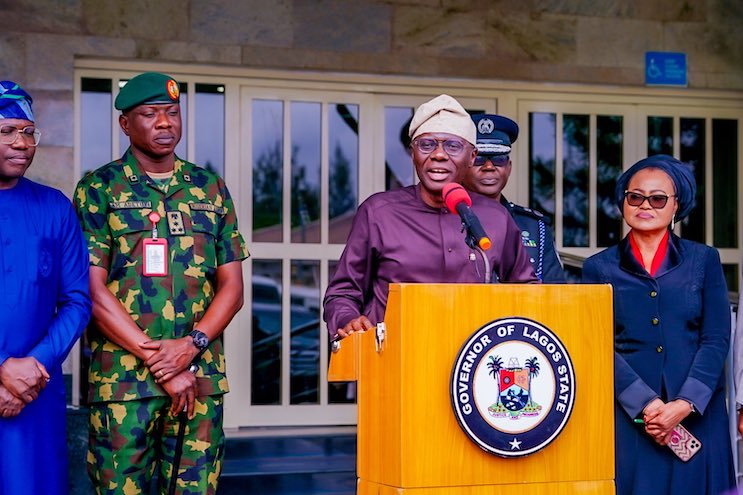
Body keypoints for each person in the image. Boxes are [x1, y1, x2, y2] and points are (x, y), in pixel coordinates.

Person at [74, 72, 249, 495]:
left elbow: (233, 287)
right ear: (125, 124)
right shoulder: (99, 189)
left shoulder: (210, 189)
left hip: (200, 379)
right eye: (150, 114)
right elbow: (91, 291)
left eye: (172, 112)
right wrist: (163, 363)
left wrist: (191, 347)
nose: (164, 123)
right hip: (123, 386)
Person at [324, 94, 537, 340]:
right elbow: (343, 293)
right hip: (394, 364)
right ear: (413, 153)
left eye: (453, 146)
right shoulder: (378, 213)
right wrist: (348, 319)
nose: (438, 154)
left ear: (471, 157)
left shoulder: (495, 217)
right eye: (426, 145)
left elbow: (527, 293)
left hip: (472, 368)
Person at [582, 155, 735, 494]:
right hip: (630, 418)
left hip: (698, 413)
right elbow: (595, 342)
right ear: (624, 201)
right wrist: (647, 405)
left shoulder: (704, 260)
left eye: (658, 198)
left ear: (676, 205)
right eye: (635, 197)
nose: (645, 205)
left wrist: (683, 404)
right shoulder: (598, 267)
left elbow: (715, 338)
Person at [0, 81, 91, 494]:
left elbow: (76, 300)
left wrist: (34, 367)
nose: (21, 143)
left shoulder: (55, 207)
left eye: (29, 131)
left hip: (35, 395)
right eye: (6, 131)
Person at [464, 114, 565, 282]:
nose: (489, 167)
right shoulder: (447, 218)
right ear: (463, 165)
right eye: (479, 159)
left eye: (498, 159)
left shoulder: (535, 227)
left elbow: (556, 293)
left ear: (508, 168)